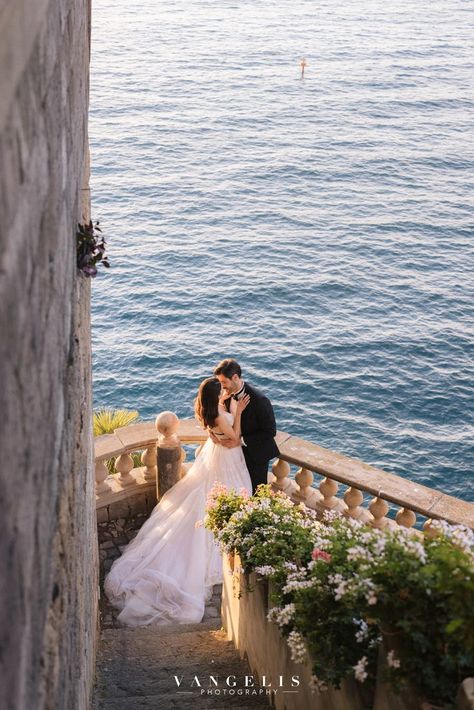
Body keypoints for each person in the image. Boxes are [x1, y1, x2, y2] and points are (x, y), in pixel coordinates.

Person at [104, 377, 251, 627]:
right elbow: (235, 438)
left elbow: (216, 436)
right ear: (215, 397)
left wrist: (226, 410)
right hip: (227, 458)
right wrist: (237, 412)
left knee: (212, 496)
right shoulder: (219, 414)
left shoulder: (207, 411)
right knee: (223, 498)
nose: (225, 393)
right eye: (222, 392)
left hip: (216, 456)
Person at [212, 359, 279, 494]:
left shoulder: (260, 400)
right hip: (233, 455)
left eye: (224, 382)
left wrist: (241, 441)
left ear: (235, 377)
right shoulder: (225, 395)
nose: (222, 386)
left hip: (254, 454)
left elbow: (270, 431)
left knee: (256, 493)